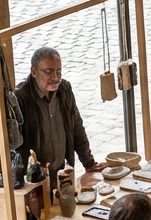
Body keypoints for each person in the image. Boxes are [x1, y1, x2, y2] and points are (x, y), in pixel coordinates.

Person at [14, 46, 104, 176]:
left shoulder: (65, 89)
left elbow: (76, 127)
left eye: (58, 71)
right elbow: (14, 148)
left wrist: (88, 162)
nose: (55, 77)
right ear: (34, 72)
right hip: (34, 177)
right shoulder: (20, 98)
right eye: (48, 72)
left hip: (61, 172)